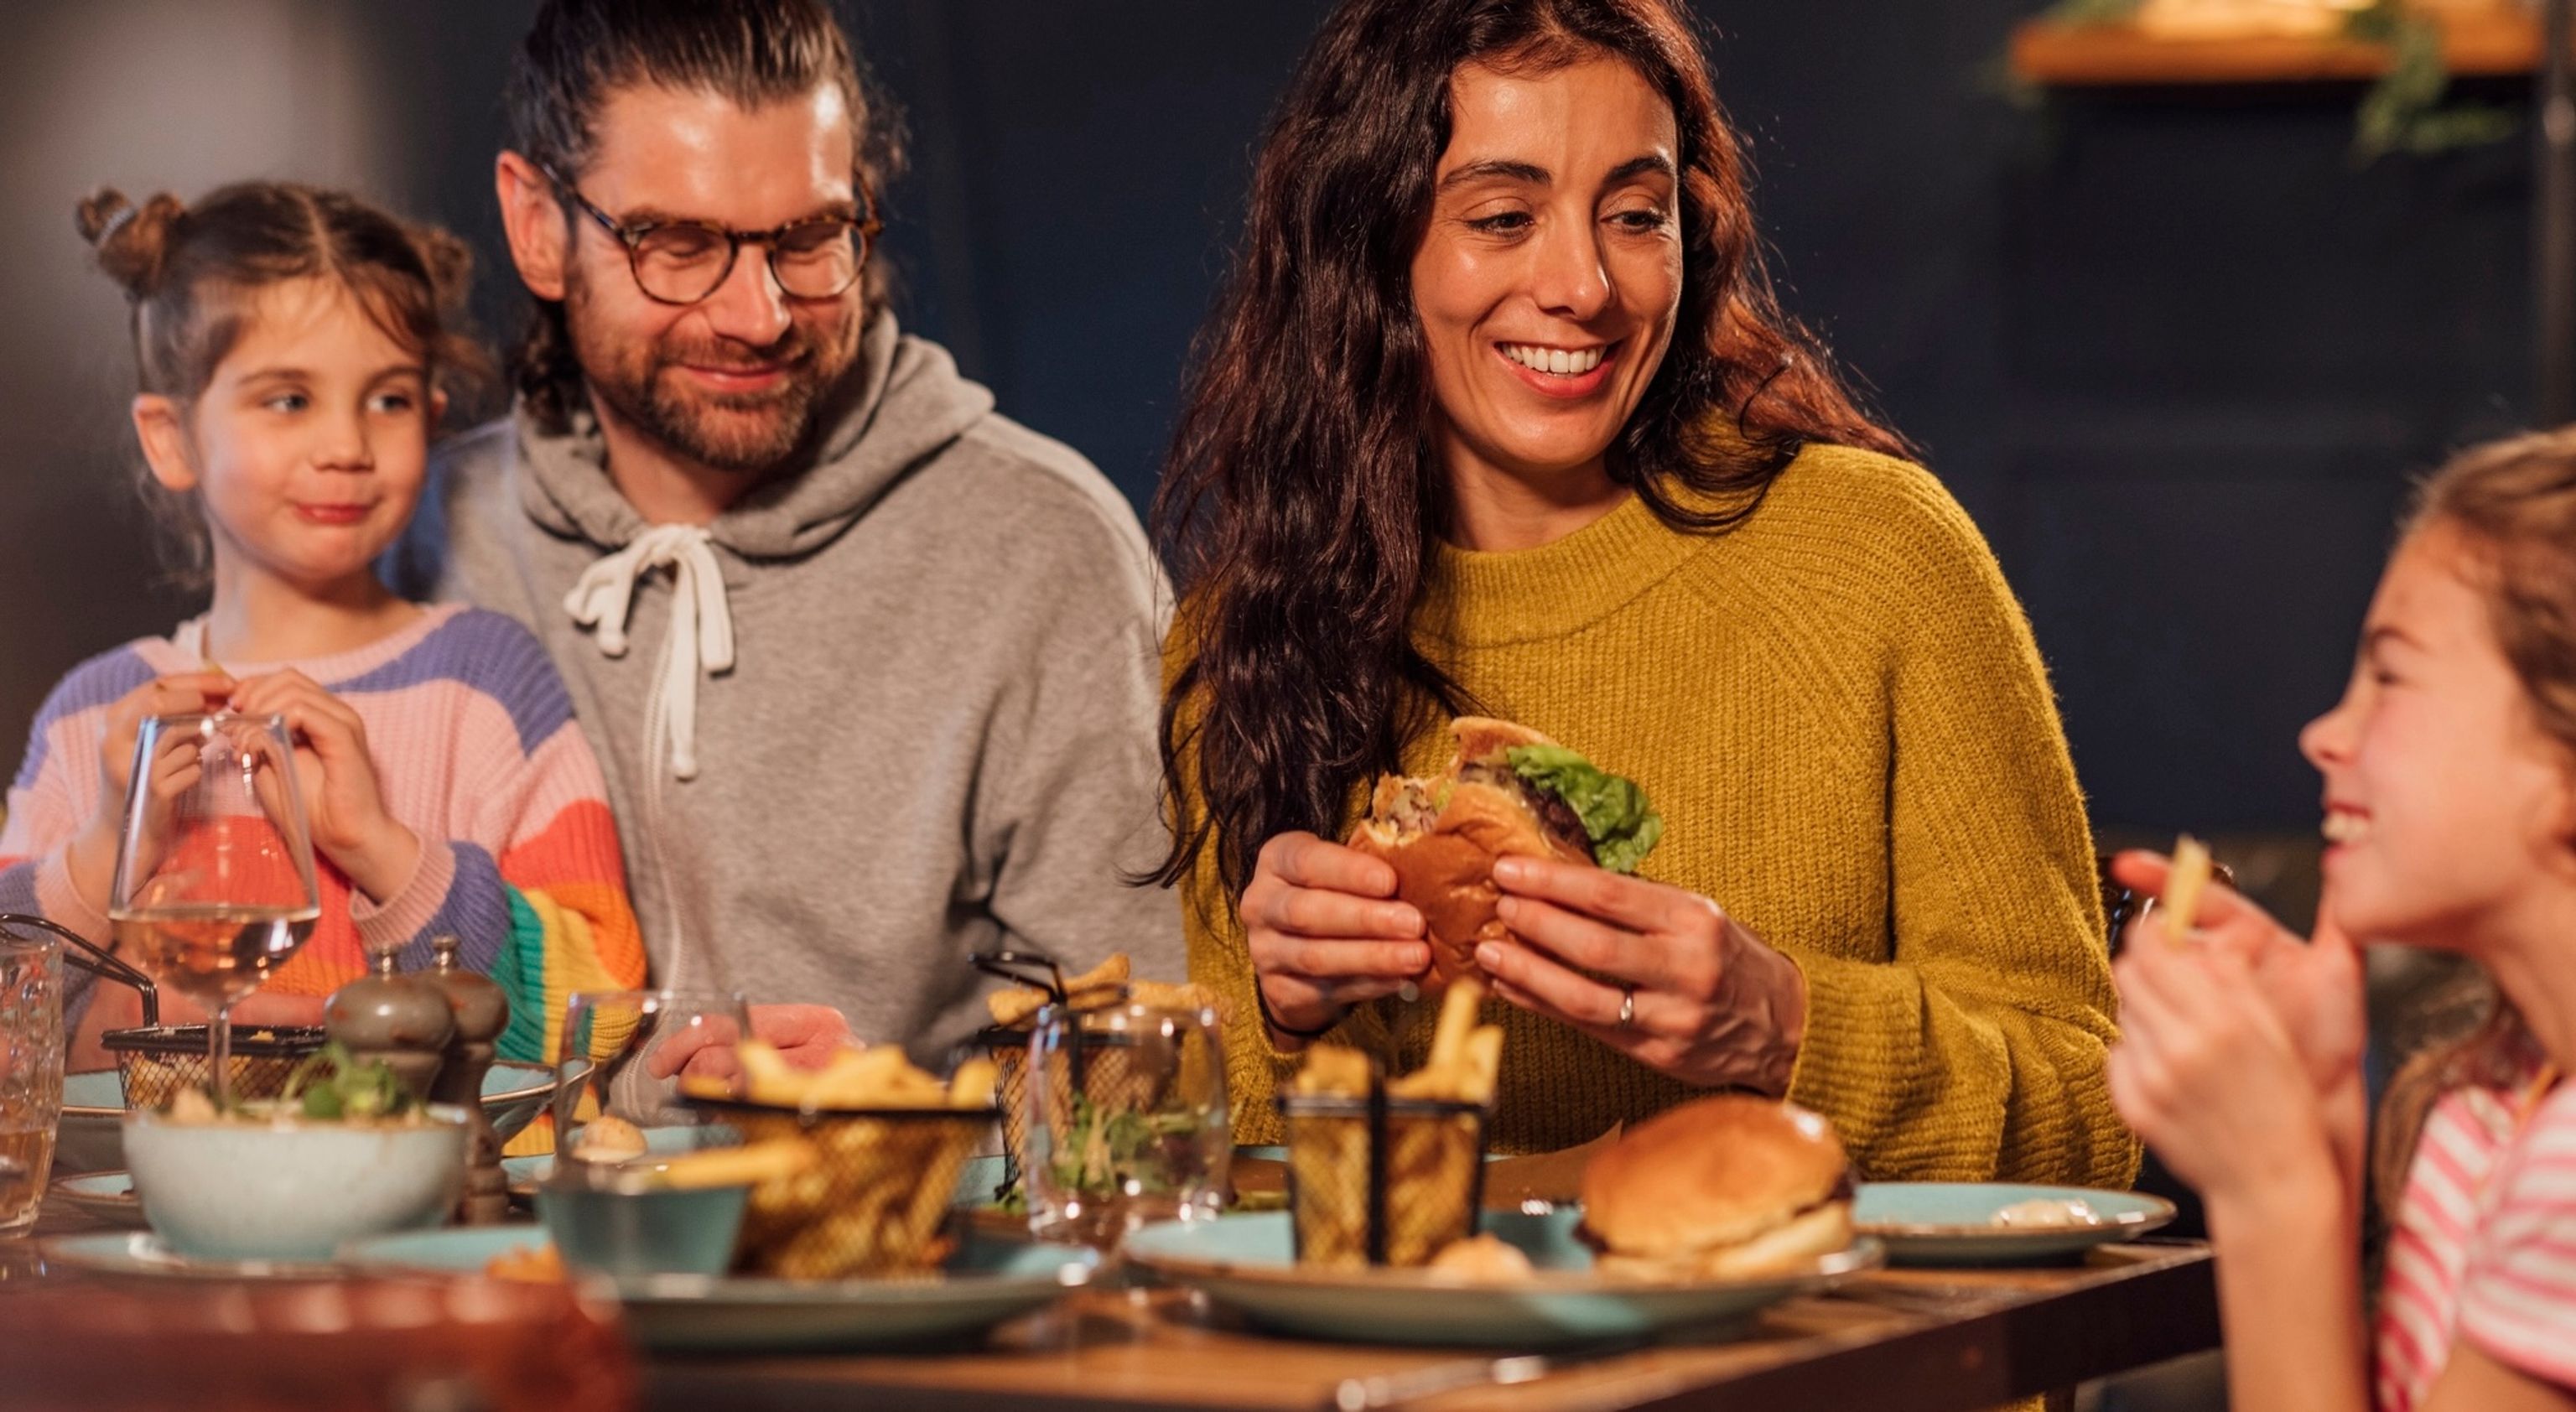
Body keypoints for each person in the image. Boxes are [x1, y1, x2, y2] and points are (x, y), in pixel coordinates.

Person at [1156, 0, 2131, 1183]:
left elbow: (2096, 1120)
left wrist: (1781, 1029)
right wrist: (1286, 1017)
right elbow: (1227, 1198)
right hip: (1438, 1365)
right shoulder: (1248, 630)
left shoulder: (1878, 557)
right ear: (1371, 246)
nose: (1583, 284)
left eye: (1634, 214)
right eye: (1504, 218)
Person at [395, 0, 1176, 1060]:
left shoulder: (1043, 549)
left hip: (901, 1222)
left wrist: (885, 1128)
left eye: (810, 237)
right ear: (537, 225)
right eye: (677, 242)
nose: (757, 315)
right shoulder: (423, 532)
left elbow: (1152, 1064)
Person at [0, 182, 645, 1068]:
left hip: (440, 1206)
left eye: (388, 399)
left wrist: (382, 850)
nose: (346, 444)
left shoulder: (489, 684)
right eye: (289, 400)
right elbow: (10, 1051)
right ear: (172, 438)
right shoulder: (94, 717)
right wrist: (104, 847)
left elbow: (600, 1016)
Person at [2108, 431, 2576, 1412]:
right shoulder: (2498, 1100)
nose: (2325, 733)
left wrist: (2269, 1188)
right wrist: (2318, 1108)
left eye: (2392, 676)